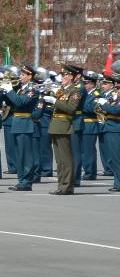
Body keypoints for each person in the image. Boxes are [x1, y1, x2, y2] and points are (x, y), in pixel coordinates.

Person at [48, 64, 84, 195]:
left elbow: (71, 108)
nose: (61, 77)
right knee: (59, 159)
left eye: (63, 75)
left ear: (70, 76)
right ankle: (61, 185)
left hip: (64, 125)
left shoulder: (76, 90)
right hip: (55, 124)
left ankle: (68, 186)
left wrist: (54, 101)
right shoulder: (62, 89)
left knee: (66, 158)